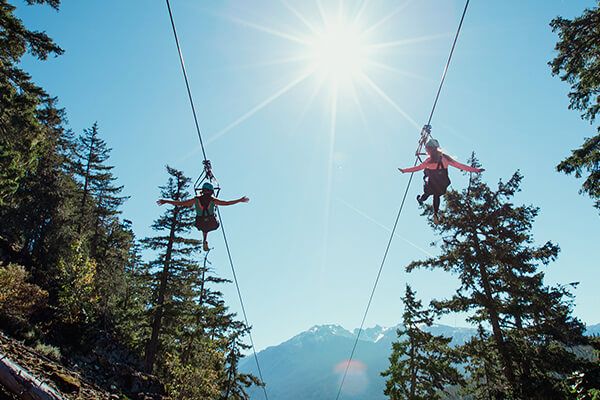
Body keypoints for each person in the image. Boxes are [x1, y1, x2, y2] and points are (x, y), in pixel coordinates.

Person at [399, 138, 484, 224]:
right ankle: (435, 213)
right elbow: (460, 166)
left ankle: (420, 199)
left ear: (430, 150)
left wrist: (404, 171)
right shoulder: (445, 158)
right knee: (437, 195)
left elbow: (417, 168)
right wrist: (476, 170)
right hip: (442, 182)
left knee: (427, 193)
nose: (427, 151)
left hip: (432, 182)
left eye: (427, 149)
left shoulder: (428, 161)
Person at [157, 182, 249, 251]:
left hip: (199, 223)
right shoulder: (213, 200)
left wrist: (166, 201)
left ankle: (204, 239)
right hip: (212, 223)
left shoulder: (196, 199)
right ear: (211, 192)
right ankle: (205, 239)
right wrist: (239, 200)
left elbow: (181, 203)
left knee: (204, 227)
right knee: (207, 226)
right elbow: (226, 203)